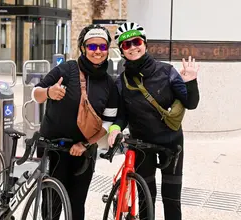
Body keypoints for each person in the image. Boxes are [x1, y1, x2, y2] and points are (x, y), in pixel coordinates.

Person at [108, 22, 200, 220]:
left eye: (136, 41)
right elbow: (122, 116)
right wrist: (115, 128)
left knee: (172, 199)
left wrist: (191, 81)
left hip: (172, 143)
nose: (133, 47)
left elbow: (190, 103)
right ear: (122, 51)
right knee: (145, 197)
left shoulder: (167, 72)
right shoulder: (121, 81)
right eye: (126, 45)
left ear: (145, 43)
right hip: (141, 144)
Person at [32, 24, 118, 220]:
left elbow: (107, 122)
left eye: (102, 47)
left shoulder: (109, 84)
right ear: (83, 48)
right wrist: (48, 92)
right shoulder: (66, 69)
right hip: (54, 148)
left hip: (83, 152)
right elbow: (35, 93)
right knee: (51, 206)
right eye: (92, 46)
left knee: (77, 205)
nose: (97, 51)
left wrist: (85, 144)